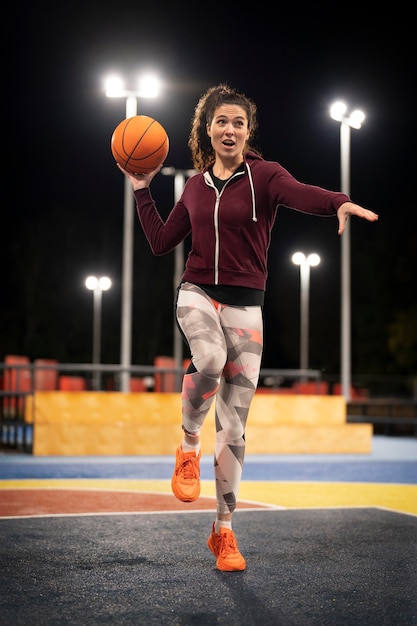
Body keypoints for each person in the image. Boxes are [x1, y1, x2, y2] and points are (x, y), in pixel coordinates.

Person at [118, 84, 379, 572]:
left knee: (235, 427)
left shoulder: (267, 176)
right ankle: (188, 446)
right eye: (222, 122)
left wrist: (338, 203)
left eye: (238, 122)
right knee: (210, 359)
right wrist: (140, 188)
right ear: (208, 130)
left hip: (247, 305)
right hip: (197, 292)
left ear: (247, 130)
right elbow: (159, 242)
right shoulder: (193, 187)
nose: (230, 129)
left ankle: (224, 531)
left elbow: (305, 194)